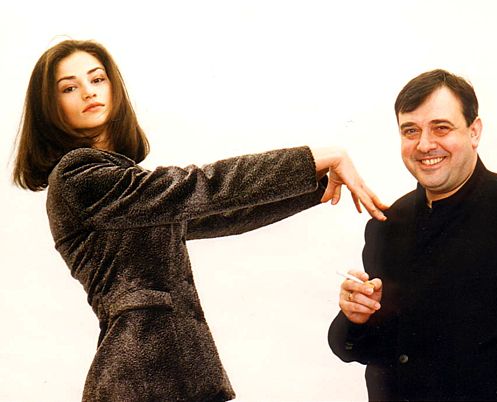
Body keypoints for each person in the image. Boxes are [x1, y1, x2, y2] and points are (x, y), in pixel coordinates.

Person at [12, 39, 387, 402]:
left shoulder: (123, 186)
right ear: (50, 106)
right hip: (140, 380)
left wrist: (314, 188)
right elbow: (203, 186)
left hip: (170, 374)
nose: (88, 92)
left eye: (97, 79)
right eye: (69, 87)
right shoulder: (78, 176)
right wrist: (316, 158)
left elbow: (222, 214)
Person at [328, 69, 497, 401]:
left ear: (474, 131)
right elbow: (372, 351)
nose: (425, 144)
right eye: (410, 131)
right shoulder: (387, 224)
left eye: (441, 127)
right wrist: (356, 317)